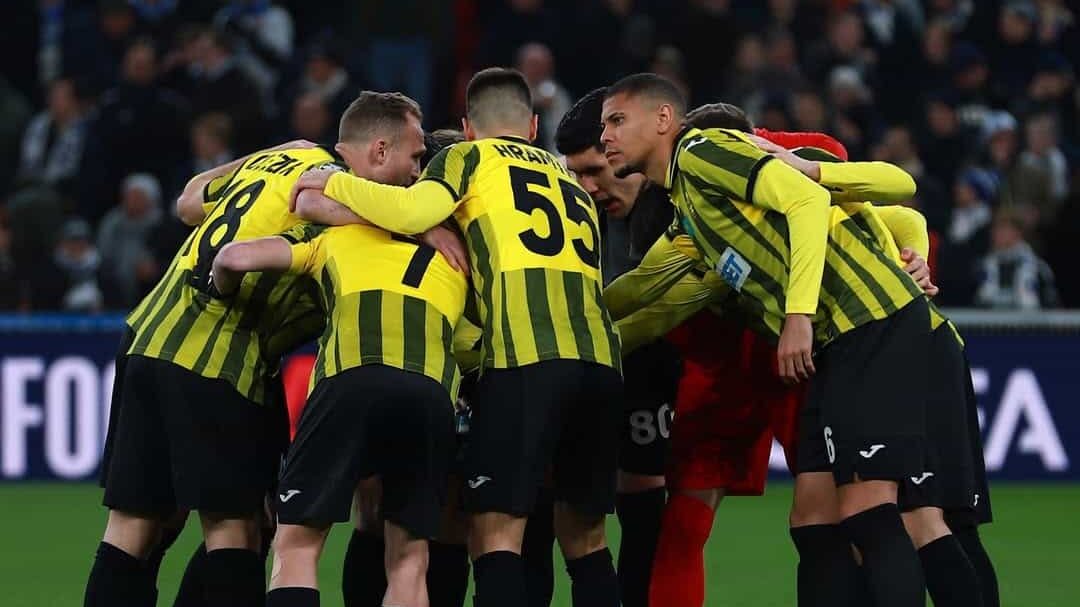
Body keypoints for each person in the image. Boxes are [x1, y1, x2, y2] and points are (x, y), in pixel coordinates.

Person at [84, 92, 432, 607]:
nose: (417, 174)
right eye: (415, 157)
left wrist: (266, 153)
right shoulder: (342, 195)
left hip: (148, 336)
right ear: (379, 150)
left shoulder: (281, 160)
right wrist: (429, 226)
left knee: (132, 526)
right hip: (219, 354)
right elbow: (340, 216)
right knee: (238, 529)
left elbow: (187, 202)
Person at [292, 68, 624, 607]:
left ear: (468, 129)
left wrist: (332, 180)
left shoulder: (466, 162)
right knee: (585, 541)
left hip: (521, 358)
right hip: (601, 362)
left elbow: (409, 210)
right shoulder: (574, 185)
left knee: (492, 534)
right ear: (533, 125)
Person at [600, 73, 931, 607]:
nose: (606, 138)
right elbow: (643, 293)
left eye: (616, 121)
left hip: (859, 330)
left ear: (664, 121)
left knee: (886, 515)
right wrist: (569, 327)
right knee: (816, 523)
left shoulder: (707, 151)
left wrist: (802, 312)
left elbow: (886, 202)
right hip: (816, 349)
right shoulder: (691, 218)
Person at [210, 181, 468, 607]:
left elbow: (234, 257)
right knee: (409, 560)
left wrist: (219, 287)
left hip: (348, 382)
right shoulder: (456, 256)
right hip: (429, 392)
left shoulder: (337, 236)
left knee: (297, 545)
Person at [554, 88, 679, 607]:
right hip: (601, 366)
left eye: (594, 171)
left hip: (665, 361)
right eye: (576, 175)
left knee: (652, 504)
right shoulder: (573, 214)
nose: (587, 187)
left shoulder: (679, 202)